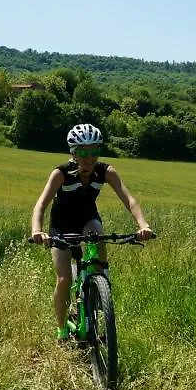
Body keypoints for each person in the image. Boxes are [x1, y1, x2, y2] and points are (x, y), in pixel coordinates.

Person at [30, 123, 154, 341]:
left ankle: (100, 288)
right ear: (74, 153)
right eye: (84, 151)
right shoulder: (61, 174)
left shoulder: (105, 171)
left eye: (94, 150)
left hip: (88, 219)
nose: (90, 157)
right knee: (64, 279)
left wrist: (143, 225)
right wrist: (37, 231)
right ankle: (62, 330)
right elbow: (41, 204)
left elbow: (129, 200)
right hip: (61, 225)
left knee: (98, 238)